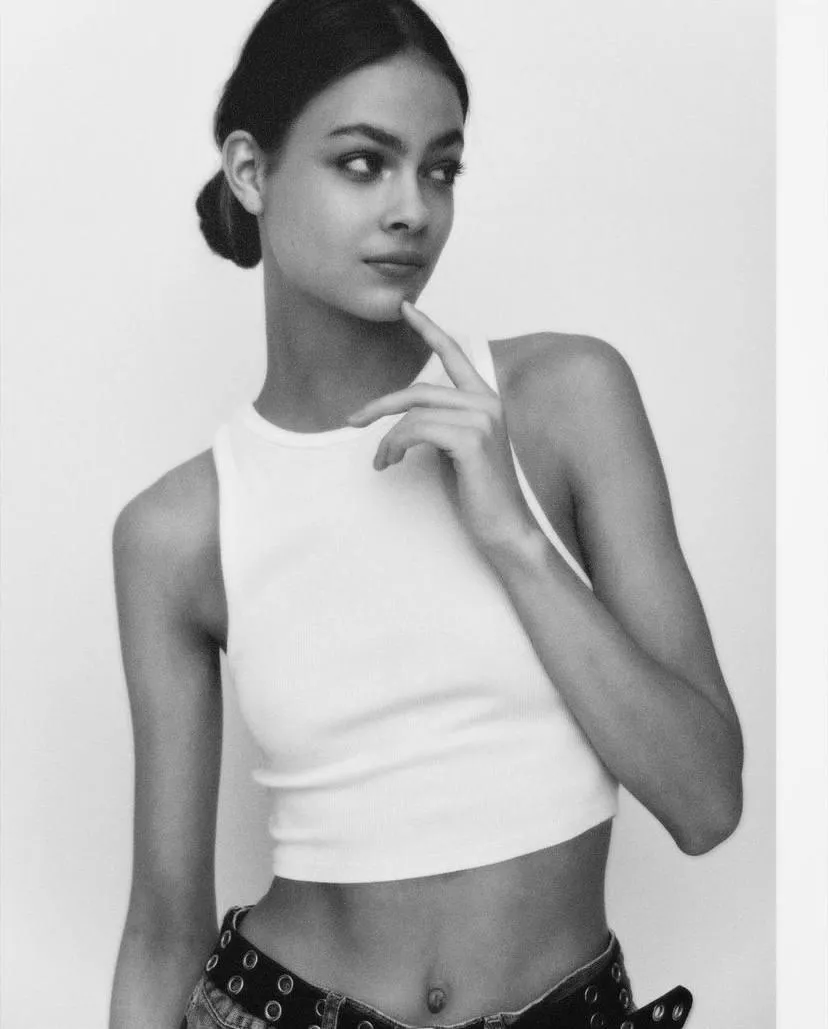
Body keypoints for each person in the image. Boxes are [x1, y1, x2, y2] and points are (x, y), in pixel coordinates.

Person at [108, 1, 744, 1027]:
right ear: (250, 170)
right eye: (364, 163)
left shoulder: (566, 401)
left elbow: (707, 804)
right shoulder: (177, 531)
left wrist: (513, 537)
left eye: (439, 168)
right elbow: (162, 926)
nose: (413, 207)